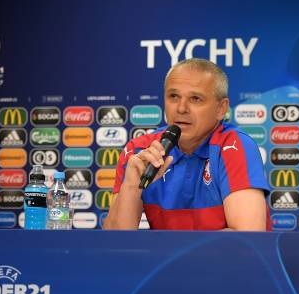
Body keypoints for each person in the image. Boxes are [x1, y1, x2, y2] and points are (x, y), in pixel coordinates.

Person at [103, 58, 270, 231]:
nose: (181, 108)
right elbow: (116, 243)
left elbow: (248, 239)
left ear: (221, 108)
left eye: (195, 99)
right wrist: (131, 188)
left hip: (219, 260)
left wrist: (166, 253)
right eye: (173, 96)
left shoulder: (234, 146)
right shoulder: (139, 151)